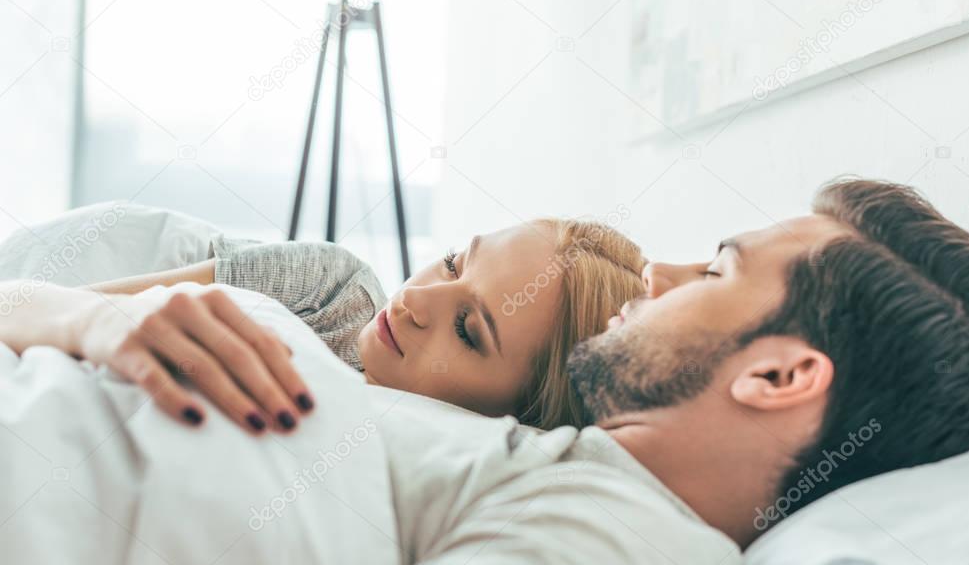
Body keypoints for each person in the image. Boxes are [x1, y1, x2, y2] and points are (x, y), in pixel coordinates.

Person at [2, 179, 969, 565]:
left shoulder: (630, 553)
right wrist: (93, 318)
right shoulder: (539, 469)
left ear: (778, 375)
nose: (658, 269)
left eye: (717, 269)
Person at [83, 218, 646, 432]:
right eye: (452, 261)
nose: (419, 298)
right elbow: (46, 307)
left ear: (519, 420)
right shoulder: (331, 290)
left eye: (468, 330)